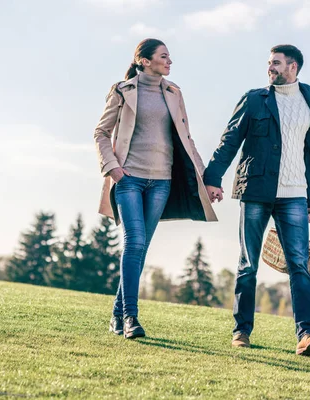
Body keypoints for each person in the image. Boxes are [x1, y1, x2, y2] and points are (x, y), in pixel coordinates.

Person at [203, 44, 310, 355]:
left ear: (293, 67)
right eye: (269, 63)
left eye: (276, 63)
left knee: (300, 266)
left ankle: (306, 335)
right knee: (248, 266)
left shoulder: (309, 104)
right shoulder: (255, 100)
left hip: (295, 196)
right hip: (256, 191)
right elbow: (229, 140)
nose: (270, 68)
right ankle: (241, 331)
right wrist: (212, 179)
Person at [93, 38, 217, 339]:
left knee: (140, 247)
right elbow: (101, 133)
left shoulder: (174, 93)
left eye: (169, 57)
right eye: (163, 56)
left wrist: (205, 178)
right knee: (134, 243)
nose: (169, 61)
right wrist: (114, 169)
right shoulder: (123, 91)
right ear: (145, 61)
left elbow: (187, 139)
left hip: (162, 181)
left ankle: (116, 315)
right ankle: (130, 319)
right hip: (129, 180)